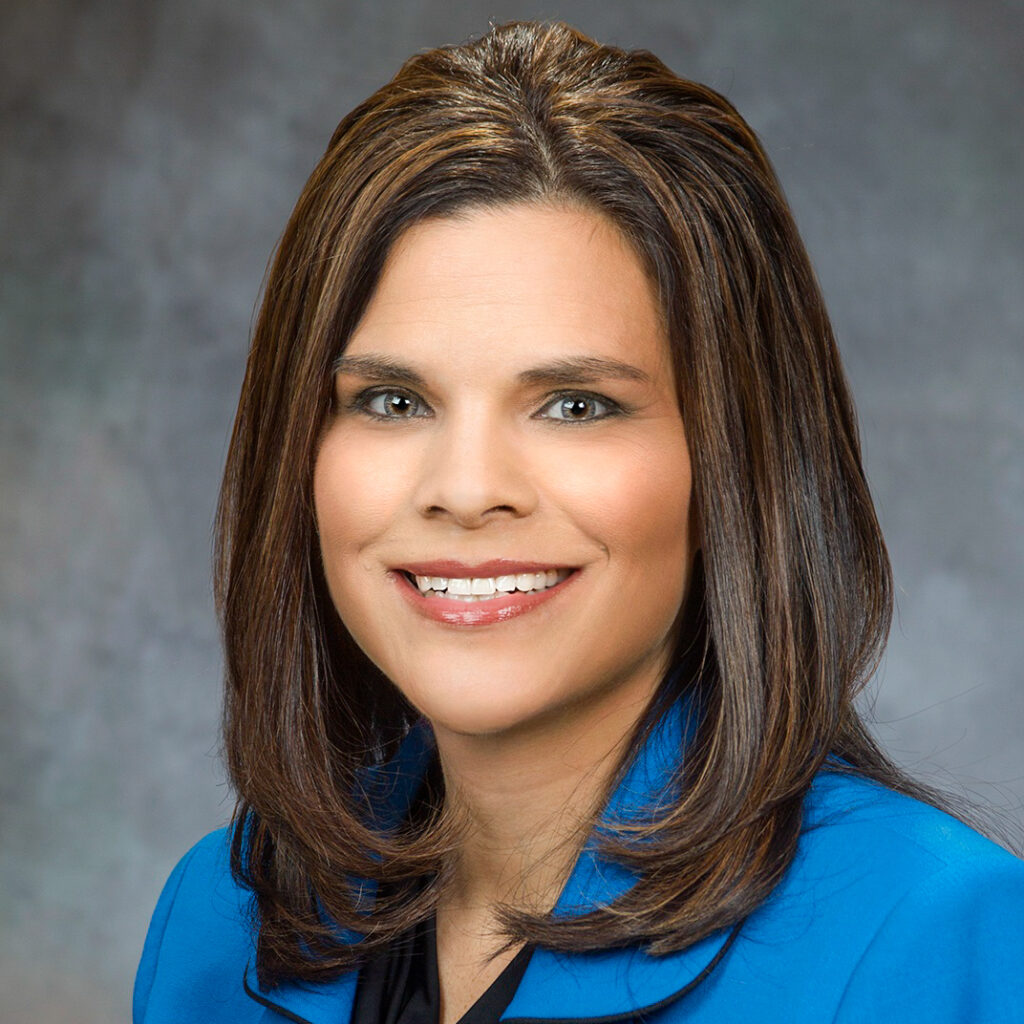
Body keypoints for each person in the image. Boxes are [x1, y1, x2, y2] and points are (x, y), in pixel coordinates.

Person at [133, 19, 1024, 1024]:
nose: (466, 489)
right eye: (391, 400)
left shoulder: (930, 935)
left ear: (733, 467)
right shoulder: (222, 920)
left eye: (575, 405)